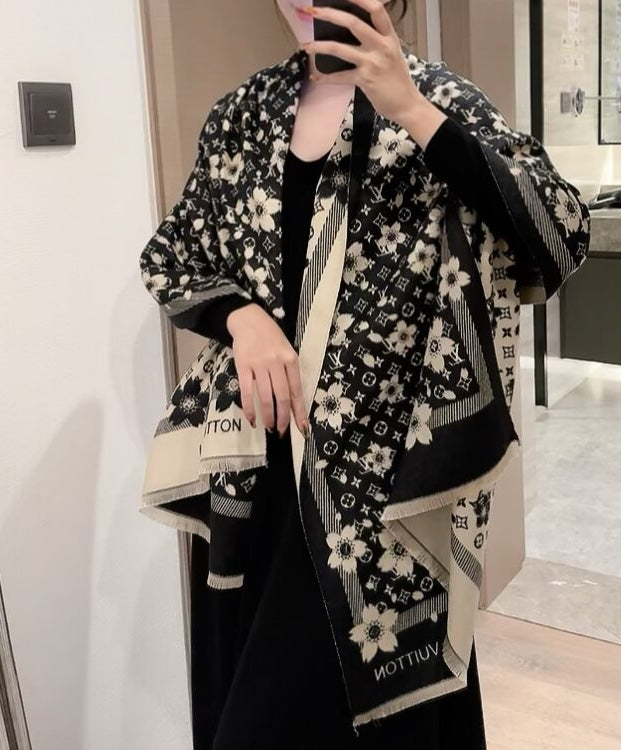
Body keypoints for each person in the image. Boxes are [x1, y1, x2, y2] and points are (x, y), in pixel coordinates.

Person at [138, 1, 591, 747]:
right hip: (256, 470)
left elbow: (560, 230)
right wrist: (241, 318)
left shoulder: (439, 99)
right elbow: (174, 255)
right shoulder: (242, 116)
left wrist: (411, 110)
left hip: (382, 493)